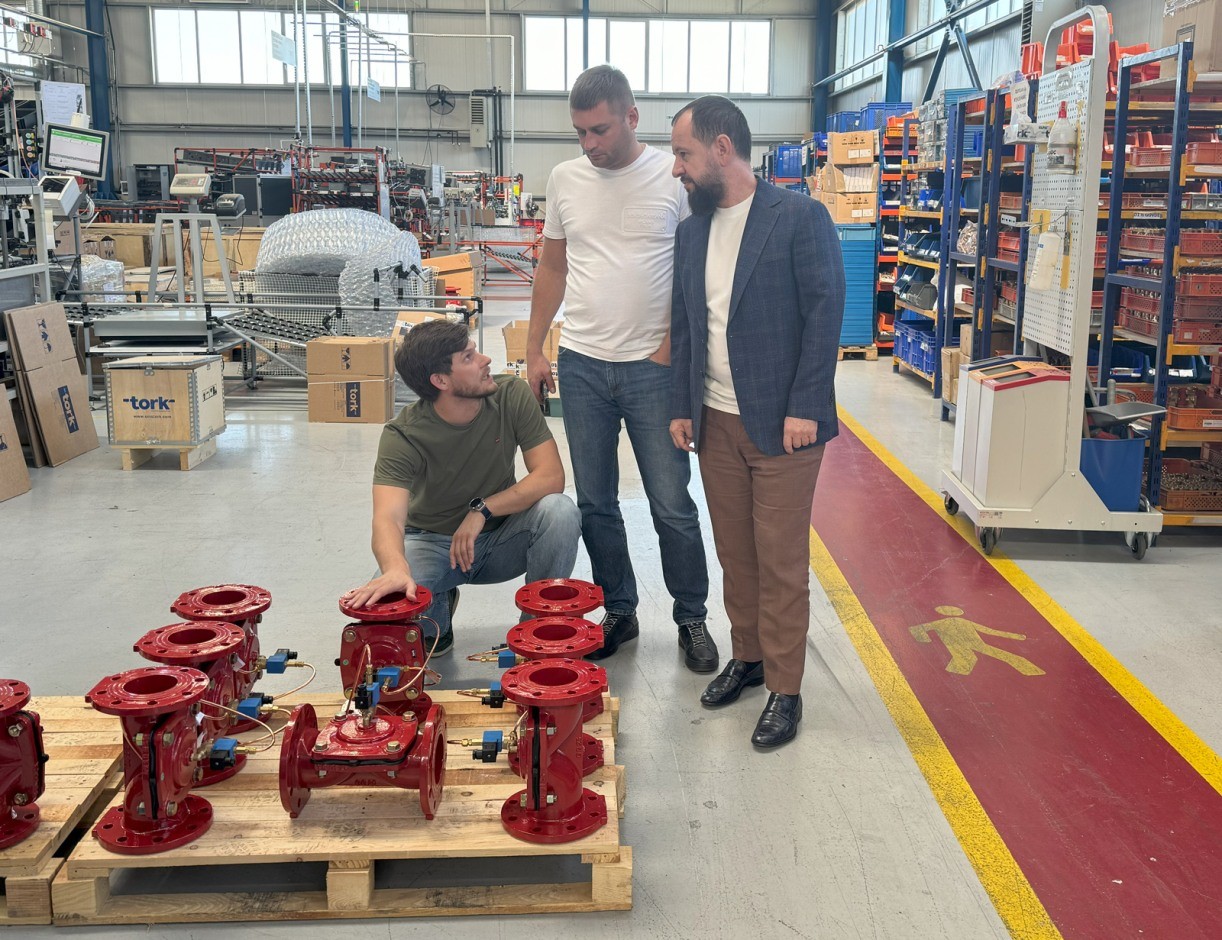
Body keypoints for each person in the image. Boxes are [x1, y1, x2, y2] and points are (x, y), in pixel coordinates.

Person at [525, 64, 716, 673]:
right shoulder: (565, 179)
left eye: (600, 130)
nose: (590, 144)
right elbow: (553, 268)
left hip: (652, 370)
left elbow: (697, 270)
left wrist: (672, 344)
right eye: (580, 133)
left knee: (671, 503)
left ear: (631, 117)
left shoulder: (670, 175)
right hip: (582, 366)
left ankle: (691, 617)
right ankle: (620, 610)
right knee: (597, 504)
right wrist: (535, 348)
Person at [668, 95, 845, 748]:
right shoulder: (692, 231)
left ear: (721, 149)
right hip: (715, 422)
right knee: (736, 555)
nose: (676, 169)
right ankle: (748, 656)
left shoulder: (798, 217)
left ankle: (786, 688)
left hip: (783, 427)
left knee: (780, 561)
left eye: (683, 154)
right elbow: (685, 323)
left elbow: (825, 312)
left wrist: (805, 405)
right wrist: (681, 405)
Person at [345, 320, 581, 655]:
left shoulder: (510, 395)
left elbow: (550, 476)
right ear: (440, 381)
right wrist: (396, 569)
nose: (486, 360)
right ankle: (438, 608)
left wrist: (482, 510)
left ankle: (536, 632)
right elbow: (388, 517)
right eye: (469, 357)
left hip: (502, 538)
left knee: (560, 511)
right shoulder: (403, 434)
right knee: (391, 611)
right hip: (432, 544)